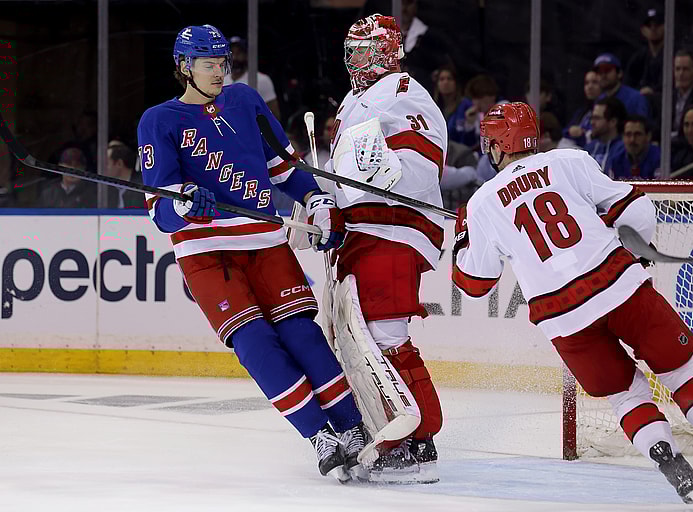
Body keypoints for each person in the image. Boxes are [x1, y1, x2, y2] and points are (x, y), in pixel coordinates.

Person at [453, 101, 693, 507]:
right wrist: (636, 247)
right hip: (618, 284)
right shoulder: (570, 161)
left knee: (625, 396)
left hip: (562, 320)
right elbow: (635, 206)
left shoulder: (482, 203)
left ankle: (672, 465)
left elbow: (475, 284)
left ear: (498, 144)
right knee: (682, 368)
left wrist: (463, 237)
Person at [137, 24, 366, 483]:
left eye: (223, 62)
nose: (220, 71)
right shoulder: (159, 120)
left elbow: (285, 166)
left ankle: (354, 430)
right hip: (206, 253)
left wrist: (317, 200)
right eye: (209, 64)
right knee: (255, 343)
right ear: (185, 67)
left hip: (264, 242)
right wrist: (183, 200)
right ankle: (319, 435)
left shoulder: (246, 101)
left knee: (303, 334)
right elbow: (159, 210)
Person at [317, 13, 444, 483]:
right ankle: (387, 428)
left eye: (364, 51)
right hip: (362, 233)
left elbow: (420, 167)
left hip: (392, 230)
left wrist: (379, 174)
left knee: (387, 338)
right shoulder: (356, 100)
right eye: (350, 52)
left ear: (387, 51)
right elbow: (351, 179)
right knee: (359, 339)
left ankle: (421, 439)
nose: (355, 60)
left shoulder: (405, 91)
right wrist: (327, 205)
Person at [223, 36, 281, 120]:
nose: (235, 58)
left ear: (246, 55)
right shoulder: (221, 80)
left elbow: (275, 115)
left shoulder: (261, 80)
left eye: (239, 53)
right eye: (232, 53)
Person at [593, 53, 650, 119]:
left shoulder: (636, 98)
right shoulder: (599, 99)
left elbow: (643, 125)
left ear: (619, 73)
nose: (603, 76)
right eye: (599, 72)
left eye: (607, 70)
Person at [626, 7, 665, 96]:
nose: (653, 28)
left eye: (657, 24)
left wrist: (653, 90)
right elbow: (628, 82)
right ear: (643, 30)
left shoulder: (672, 55)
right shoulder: (639, 57)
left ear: (665, 27)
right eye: (649, 25)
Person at [610, 115, 660, 180]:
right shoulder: (616, 161)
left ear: (648, 136)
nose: (632, 140)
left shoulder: (659, 159)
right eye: (628, 134)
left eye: (638, 134)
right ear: (623, 137)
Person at [585, 96, 626, 173]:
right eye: (592, 118)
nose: (592, 123)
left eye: (597, 118)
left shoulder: (623, 150)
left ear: (613, 122)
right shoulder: (589, 148)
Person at [562, 70, 601, 148]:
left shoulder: (606, 112)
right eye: (587, 83)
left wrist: (581, 135)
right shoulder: (582, 112)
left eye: (594, 82)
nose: (590, 87)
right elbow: (565, 131)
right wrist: (572, 131)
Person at [105, 140, 145, 209]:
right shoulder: (108, 189)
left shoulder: (142, 187)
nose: (103, 168)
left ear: (119, 164)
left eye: (107, 163)